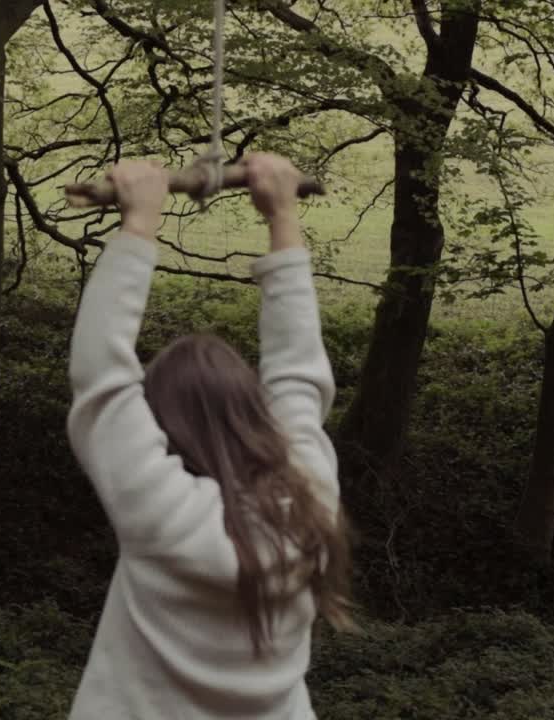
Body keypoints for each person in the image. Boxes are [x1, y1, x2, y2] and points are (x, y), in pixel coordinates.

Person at [65, 153, 355, 719]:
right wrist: (282, 215)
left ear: (161, 429)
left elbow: (101, 376)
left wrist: (139, 223)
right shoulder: (309, 502)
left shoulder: (160, 511)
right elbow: (298, 377)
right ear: (256, 413)